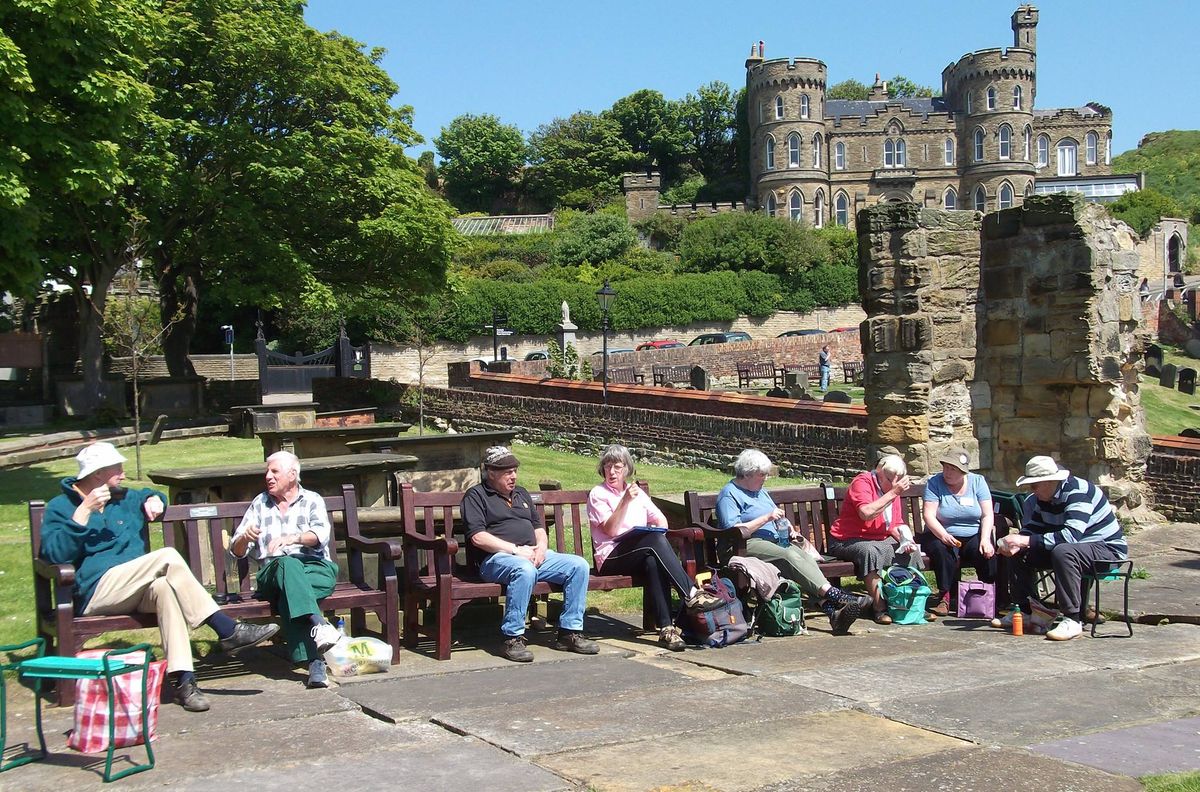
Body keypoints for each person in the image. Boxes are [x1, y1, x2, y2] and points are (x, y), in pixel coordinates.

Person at [40, 442, 279, 712]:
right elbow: (53, 555)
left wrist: (155, 499)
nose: (123, 472)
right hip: (96, 592)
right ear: (97, 474)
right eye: (117, 468)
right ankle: (226, 628)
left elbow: (152, 495)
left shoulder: (125, 498)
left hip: (135, 590)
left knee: (166, 589)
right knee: (167, 556)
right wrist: (83, 511)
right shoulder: (61, 507)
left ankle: (184, 682)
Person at [462, 445, 599, 662]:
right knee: (524, 569)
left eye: (515, 470)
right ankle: (512, 638)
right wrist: (516, 551)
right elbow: (478, 537)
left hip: (533, 555)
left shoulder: (522, 494)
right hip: (497, 559)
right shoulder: (476, 496)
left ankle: (569, 633)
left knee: (578, 565)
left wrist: (542, 548)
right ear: (491, 472)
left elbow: (538, 529)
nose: (513, 476)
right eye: (507, 472)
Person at [715, 449, 869, 635]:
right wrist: (766, 518)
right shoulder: (729, 494)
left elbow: (775, 515)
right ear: (747, 474)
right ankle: (836, 595)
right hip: (743, 546)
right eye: (761, 474)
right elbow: (735, 531)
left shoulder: (760, 492)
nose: (765, 478)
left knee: (802, 556)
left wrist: (786, 525)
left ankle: (832, 612)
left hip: (772, 543)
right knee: (788, 556)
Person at [588, 444, 722, 651]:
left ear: (627, 469)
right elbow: (611, 530)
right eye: (607, 466)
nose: (612, 472)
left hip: (639, 553)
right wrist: (624, 502)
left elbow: (661, 521)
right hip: (610, 557)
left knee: (653, 559)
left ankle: (667, 630)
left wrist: (652, 528)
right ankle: (692, 594)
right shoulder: (598, 494)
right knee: (654, 543)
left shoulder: (637, 493)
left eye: (617, 466)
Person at [230, 451, 342, 688]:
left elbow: (320, 535)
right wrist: (244, 538)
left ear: (292, 474)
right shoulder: (259, 504)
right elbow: (237, 550)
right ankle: (319, 629)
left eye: (274, 471)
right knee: (287, 565)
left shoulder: (313, 500)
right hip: (273, 571)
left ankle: (316, 658)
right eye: (267, 472)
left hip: (316, 569)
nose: (268, 476)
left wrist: (293, 538)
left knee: (290, 589)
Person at [997, 455, 1128, 641]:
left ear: (1050, 481)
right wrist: (1016, 542)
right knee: (1020, 552)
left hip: (1106, 550)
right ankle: (1025, 610)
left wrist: (1024, 541)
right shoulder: (1044, 496)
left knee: (1063, 551)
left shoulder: (1078, 493)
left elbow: (1071, 536)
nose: (1031, 490)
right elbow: (1035, 528)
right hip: (1073, 549)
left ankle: (1073, 619)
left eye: (1034, 485)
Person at [827, 454, 920, 625]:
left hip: (879, 538)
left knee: (911, 552)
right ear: (880, 473)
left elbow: (894, 523)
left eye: (898, 480)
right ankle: (880, 608)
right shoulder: (862, 482)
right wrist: (894, 492)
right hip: (846, 540)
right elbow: (866, 513)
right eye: (890, 479)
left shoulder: (893, 489)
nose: (894, 484)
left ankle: (911, 607)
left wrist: (906, 541)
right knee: (870, 551)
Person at [917, 447, 995, 617]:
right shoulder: (934, 482)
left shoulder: (978, 482)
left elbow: (987, 514)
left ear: (963, 472)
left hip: (972, 532)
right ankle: (945, 596)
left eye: (953, 469)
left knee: (985, 552)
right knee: (940, 550)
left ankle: (988, 596)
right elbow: (929, 515)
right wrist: (943, 535)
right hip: (940, 531)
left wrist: (985, 539)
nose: (947, 472)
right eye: (945, 467)